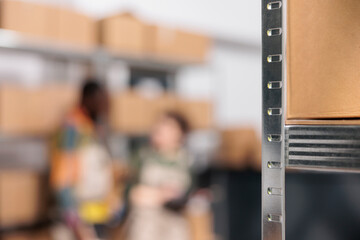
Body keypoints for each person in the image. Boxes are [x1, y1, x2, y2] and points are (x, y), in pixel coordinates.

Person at [50, 80, 116, 240]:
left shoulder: (96, 127)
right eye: (101, 99)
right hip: (77, 214)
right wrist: (70, 211)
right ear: (87, 99)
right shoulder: (72, 126)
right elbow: (62, 170)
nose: (105, 105)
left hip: (97, 214)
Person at [127, 111, 193, 240]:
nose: (160, 128)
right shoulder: (142, 157)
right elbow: (130, 192)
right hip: (146, 227)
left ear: (181, 133)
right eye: (159, 124)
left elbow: (191, 194)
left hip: (175, 228)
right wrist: (160, 194)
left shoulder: (186, 162)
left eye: (168, 126)